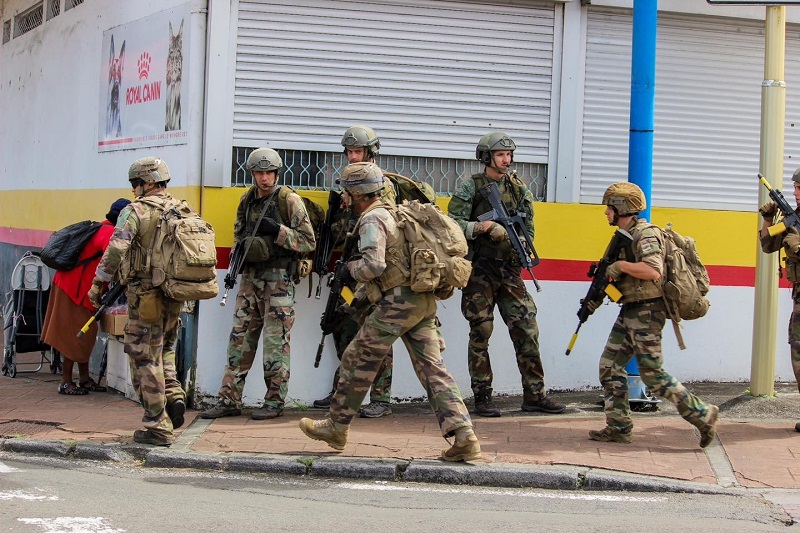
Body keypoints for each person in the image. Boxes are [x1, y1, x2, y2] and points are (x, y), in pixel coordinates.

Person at [299, 162, 480, 462]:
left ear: (357, 194)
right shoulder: (396, 213)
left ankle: (336, 427)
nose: (343, 198)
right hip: (422, 302)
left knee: (356, 358)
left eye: (346, 192)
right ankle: (464, 436)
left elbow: (374, 266)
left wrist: (348, 270)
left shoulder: (373, 219)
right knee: (433, 370)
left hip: (397, 304)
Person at [584, 181, 718, 446]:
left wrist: (621, 266)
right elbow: (614, 278)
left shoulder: (646, 234)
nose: (605, 213)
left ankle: (703, 413)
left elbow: (653, 270)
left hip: (647, 312)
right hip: (631, 309)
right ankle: (619, 428)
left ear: (621, 208)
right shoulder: (623, 236)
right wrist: (593, 300)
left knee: (653, 375)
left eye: (609, 207)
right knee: (609, 367)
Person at [447, 132, 564, 418]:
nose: (506, 160)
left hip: (510, 269)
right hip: (480, 270)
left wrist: (522, 243)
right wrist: (482, 228)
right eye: (501, 155)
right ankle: (483, 397)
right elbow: (451, 224)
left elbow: (529, 228)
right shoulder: (471, 187)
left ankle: (535, 395)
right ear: (487, 157)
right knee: (481, 330)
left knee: (526, 328)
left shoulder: (519, 189)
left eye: (509, 155)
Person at [200, 148, 316, 421]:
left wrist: (278, 231)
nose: (264, 178)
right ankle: (229, 399)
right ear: (252, 174)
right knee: (239, 340)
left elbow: (308, 241)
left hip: (278, 281)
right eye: (259, 173)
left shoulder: (290, 200)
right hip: (250, 279)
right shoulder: (247, 200)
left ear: (277, 173)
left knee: (275, 345)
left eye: (269, 173)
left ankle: (274, 403)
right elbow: (240, 235)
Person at [88, 157, 186, 446]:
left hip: (145, 296)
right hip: (174, 294)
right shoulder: (181, 209)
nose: (133, 190)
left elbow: (117, 248)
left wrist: (98, 282)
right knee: (165, 348)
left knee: (144, 356)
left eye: (135, 184)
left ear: (148, 183)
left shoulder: (135, 211)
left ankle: (158, 426)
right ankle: (174, 395)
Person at [312, 125, 394, 418]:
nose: (353, 156)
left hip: (373, 269)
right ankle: (342, 391)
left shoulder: (382, 184)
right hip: (349, 270)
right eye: (349, 152)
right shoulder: (345, 183)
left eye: (358, 151)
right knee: (343, 326)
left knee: (378, 332)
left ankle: (381, 397)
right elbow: (341, 228)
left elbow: (387, 225)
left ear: (370, 152)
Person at [42, 198, 130, 395]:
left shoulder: (101, 227)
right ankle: (66, 382)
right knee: (73, 336)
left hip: (74, 285)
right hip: (75, 289)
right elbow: (116, 259)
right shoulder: (108, 233)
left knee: (86, 335)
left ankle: (83, 379)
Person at [759, 168, 800, 432]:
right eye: (795, 188)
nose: (796, 193)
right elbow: (767, 245)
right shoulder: (793, 220)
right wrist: (768, 219)